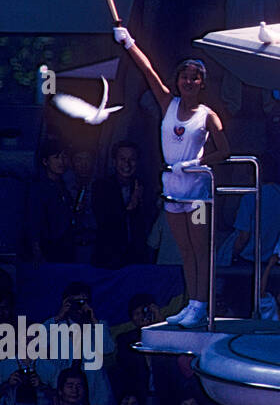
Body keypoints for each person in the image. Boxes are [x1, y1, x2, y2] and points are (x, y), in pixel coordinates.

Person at [114, 26, 231, 327]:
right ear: (178, 81)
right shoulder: (168, 103)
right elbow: (148, 69)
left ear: (202, 83)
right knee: (184, 250)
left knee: (201, 249)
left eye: (195, 78)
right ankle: (191, 303)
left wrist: (196, 162)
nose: (189, 81)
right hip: (173, 189)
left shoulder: (207, 115)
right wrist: (128, 41)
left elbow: (225, 151)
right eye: (184, 76)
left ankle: (202, 304)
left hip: (197, 192)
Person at [91, 140, 154, 268]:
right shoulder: (101, 186)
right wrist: (132, 204)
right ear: (114, 161)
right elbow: (105, 222)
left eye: (132, 159)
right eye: (122, 159)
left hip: (137, 259)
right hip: (109, 258)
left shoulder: (143, 186)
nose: (127, 164)